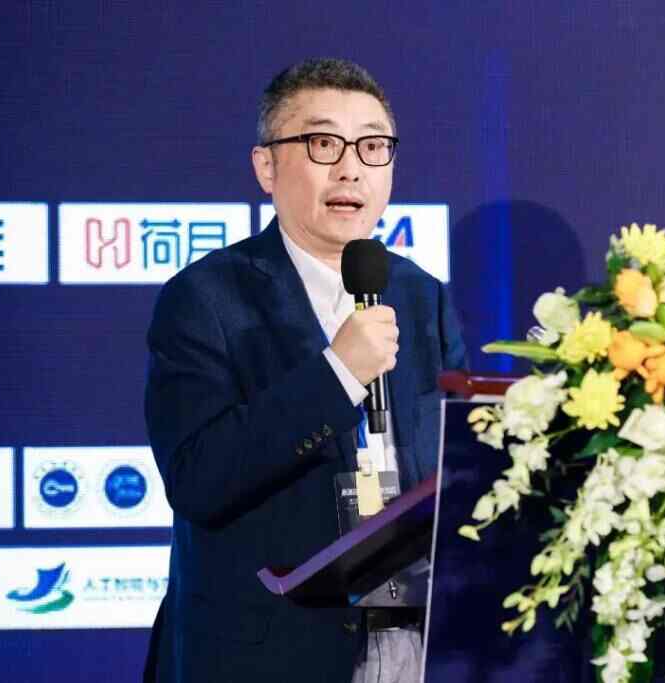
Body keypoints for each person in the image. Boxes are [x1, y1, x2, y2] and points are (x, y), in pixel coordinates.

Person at [141, 58, 466, 682]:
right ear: (266, 167)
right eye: (323, 144)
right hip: (269, 653)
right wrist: (338, 374)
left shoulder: (422, 296)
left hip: (411, 643)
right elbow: (198, 479)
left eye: (372, 146)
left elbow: (452, 471)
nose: (351, 168)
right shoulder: (206, 299)